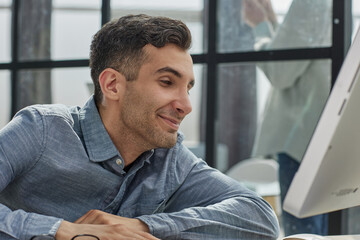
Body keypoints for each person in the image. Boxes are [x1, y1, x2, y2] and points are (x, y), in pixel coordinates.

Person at [0, 14, 279, 239]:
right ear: (112, 85)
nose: (186, 105)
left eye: (188, 88)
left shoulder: (171, 159)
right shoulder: (41, 129)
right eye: (167, 82)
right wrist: (65, 230)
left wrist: (141, 226)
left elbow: (259, 217)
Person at [243, 0, 331, 236]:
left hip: (299, 138)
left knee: (302, 233)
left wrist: (260, 26)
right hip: (315, 134)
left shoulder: (311, 3)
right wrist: (272, 22)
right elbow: (297, 57)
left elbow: (281, 72)